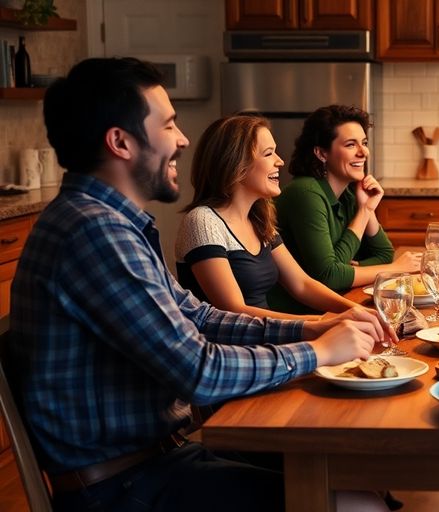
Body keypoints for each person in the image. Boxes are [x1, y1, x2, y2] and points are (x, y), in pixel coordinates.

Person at [10, 57, 391, 512]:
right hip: (122, 488)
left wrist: (313, 328)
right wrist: (319, 352)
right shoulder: (95, 232)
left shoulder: (113, 224)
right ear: (120, 142)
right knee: (355, 504)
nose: (183, 139)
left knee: (356, 486)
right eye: (169, 125)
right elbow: (199, 372)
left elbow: (201, 316)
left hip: (158, 461)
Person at [176, 115, 369, 321]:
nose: (280, 160)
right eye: (269, 153)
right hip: (233, 349)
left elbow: (302, 285)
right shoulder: (203, 221)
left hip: (268, 341)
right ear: (236, 164)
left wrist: (360, 312)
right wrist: (327, 321)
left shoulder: (258, 219)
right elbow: (234, 311)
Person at [269, 105, 419, 314]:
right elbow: (329, 277)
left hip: (332, 308)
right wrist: (395, 269)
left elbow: (384, 254)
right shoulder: (305, 194)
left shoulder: (349, 194)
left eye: (364, 143)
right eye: (351, 144)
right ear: (321, 153)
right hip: (295, 317)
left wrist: (367, 207)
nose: (363, 151)